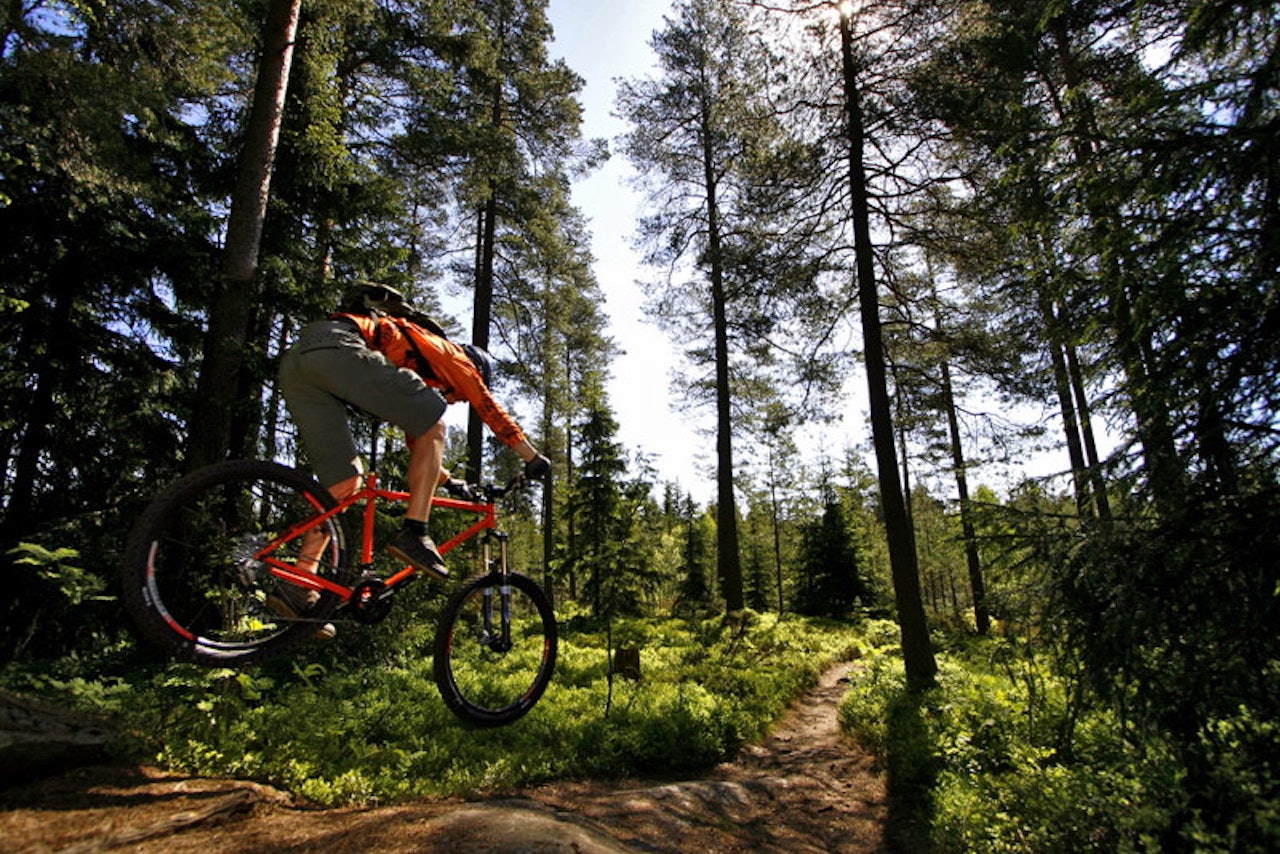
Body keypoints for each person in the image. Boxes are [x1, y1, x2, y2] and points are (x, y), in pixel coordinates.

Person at [276, 282, 549, 626]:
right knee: (436, 422)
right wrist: (532, 457)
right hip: (338, 347)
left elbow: (417, 441)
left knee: (346, 484)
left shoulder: (411, 358)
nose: (456, 399)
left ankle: (297, 582)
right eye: (459, 396)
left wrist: (450, 481)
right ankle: (416, 531)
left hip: (300, 360)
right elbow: (488, 407)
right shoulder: (455, 356)